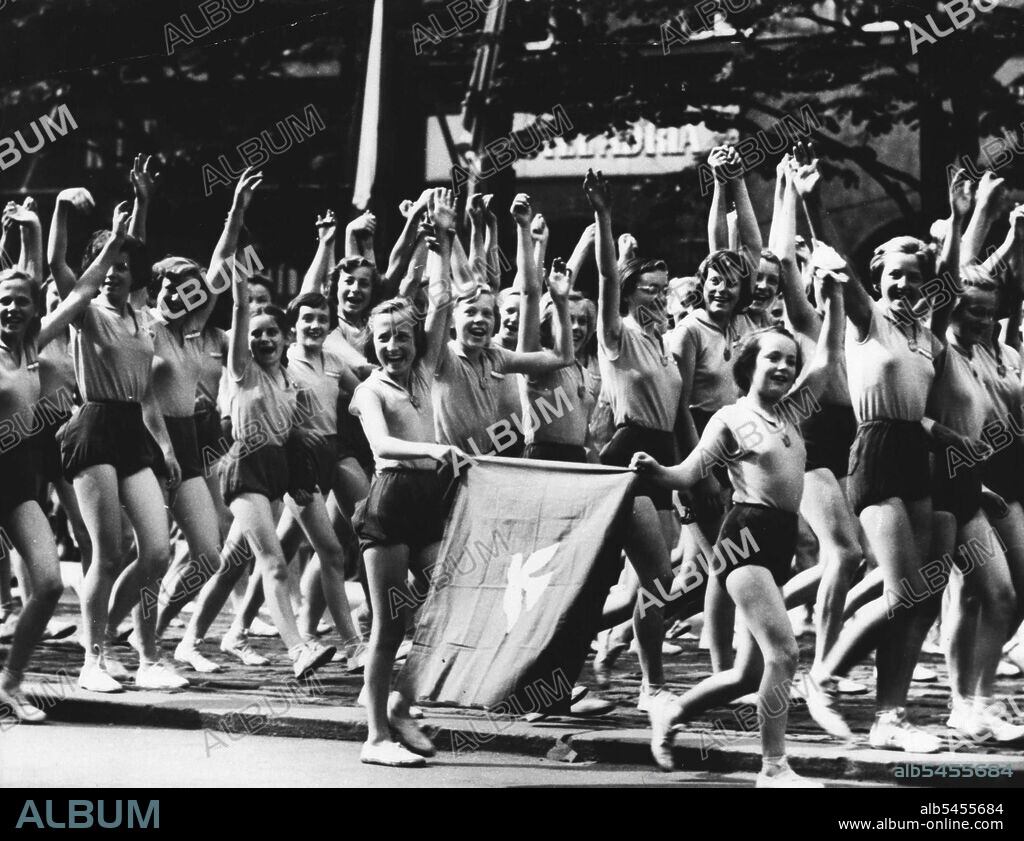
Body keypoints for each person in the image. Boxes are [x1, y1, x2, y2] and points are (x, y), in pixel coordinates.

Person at [636, 265, 846, 787]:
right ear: (749, 364)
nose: (783, 366)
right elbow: (690, 472)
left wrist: (835, 298)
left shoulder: (792, 414)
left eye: (789, 360)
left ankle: (673, 713)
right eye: (773, 357)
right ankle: (773, 767)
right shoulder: (731, 417)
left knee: (749, 674)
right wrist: (655, 470)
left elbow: (830, 358)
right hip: (744, 537)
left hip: (775, 541)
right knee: (786, 652)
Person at [0, 201, 137, 717]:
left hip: (16, 481)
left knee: (50, 583)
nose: (11, 309)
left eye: (20, 301)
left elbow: (82, 291)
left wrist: (113, 239)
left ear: (33, 308)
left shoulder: (33, 344)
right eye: (3, 302)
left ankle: (9, 683)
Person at [350, 188, 461, 767]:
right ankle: (375, 737)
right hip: (390, 504)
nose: (394, 344)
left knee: (449, 603)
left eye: (402, 335)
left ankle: (400, 702)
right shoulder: (371, 389)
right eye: (384, 337)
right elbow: (381, 447)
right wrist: (435, 448)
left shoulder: (424, 374)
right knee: (388, 629)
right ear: (373, 341)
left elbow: (441, 300)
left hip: (428, 503)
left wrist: (442, 238)